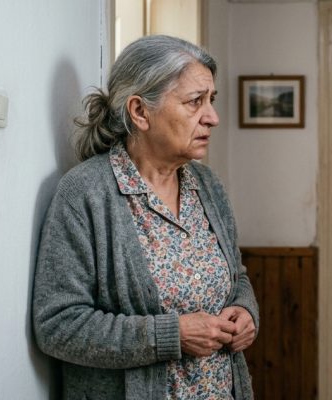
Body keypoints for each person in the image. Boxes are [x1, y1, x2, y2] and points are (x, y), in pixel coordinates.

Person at [32, 35, 258, 400]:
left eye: (211, 100)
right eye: (195, 101)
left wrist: (245, 311)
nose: (212, 118)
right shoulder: (86, 193)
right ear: (140, 112)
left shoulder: (208, 185)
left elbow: (236, 278)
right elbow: (58, 325)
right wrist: (172, 335)